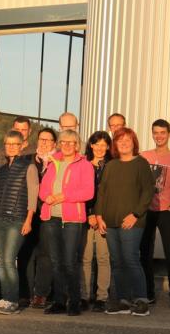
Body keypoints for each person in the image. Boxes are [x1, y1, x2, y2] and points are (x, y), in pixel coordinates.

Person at [95, 127, 154, 316]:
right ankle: (122, 300)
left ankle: (141, 300)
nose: (124, 143)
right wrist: (99, 216)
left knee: (131, 259)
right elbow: (102, 192)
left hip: (132, 222)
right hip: (110, 221)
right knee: (117, 261)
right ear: (115, 144)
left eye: (128, 140)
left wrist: (135, 214)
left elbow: (147, 191)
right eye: (120, 140)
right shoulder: (111, 166)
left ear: (134, 142)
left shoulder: (141, 164)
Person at [38, 129, 94, 316]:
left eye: (72, 142)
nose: (67, 145)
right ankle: (59, 301)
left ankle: (75, 302)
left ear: (77, 145)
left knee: (70, 262)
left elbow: (88, 193)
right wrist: (47, 198)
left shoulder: (85, 165)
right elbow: (43, 189)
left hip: (72, 220)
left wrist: (63, 196)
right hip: (51, 218)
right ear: (59, 144)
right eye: (64, 142)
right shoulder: (53, 163)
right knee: (56, 262)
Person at [0, 130, 38, 315]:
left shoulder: (29, 167)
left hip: (17, 220)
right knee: (2, 261)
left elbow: (33, 196)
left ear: (22, 145)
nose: (10, 147)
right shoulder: (2, 170)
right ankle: (5, 297)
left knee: (10, 260)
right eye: (8, 144)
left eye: (14, 144)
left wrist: (28, 220)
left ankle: (12, 300)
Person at [140, 119, 170, 308]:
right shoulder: (143, 156)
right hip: (146, 211)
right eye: (156, 132)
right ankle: (147, 292)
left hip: (166, 211)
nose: (159, 136)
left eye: (162, 133)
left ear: (169, 134)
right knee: (144, 252)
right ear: (152, 134)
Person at [82, 131, 113, 313]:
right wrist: (89, 214)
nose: (100, 148)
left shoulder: (112, 166)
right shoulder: (83, 164)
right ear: (91, 145)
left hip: (104, 218)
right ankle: (84, 295)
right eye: (97, 144)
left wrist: (99, 215)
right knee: (85, 258)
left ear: (108, 146)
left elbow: (110, 195)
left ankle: (102, 297)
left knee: (103, 257)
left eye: (104, 144)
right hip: (85, 217)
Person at [27, 128, 57, 308]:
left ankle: (41, 293)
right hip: (30, 213)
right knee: (28, 253)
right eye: (41, 139)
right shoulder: (30, 160)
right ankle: (27, 292)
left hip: (49, 213)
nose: (44, 142)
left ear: (54, 143)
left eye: (48, 140)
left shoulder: (58, 161)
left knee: (45, 254)